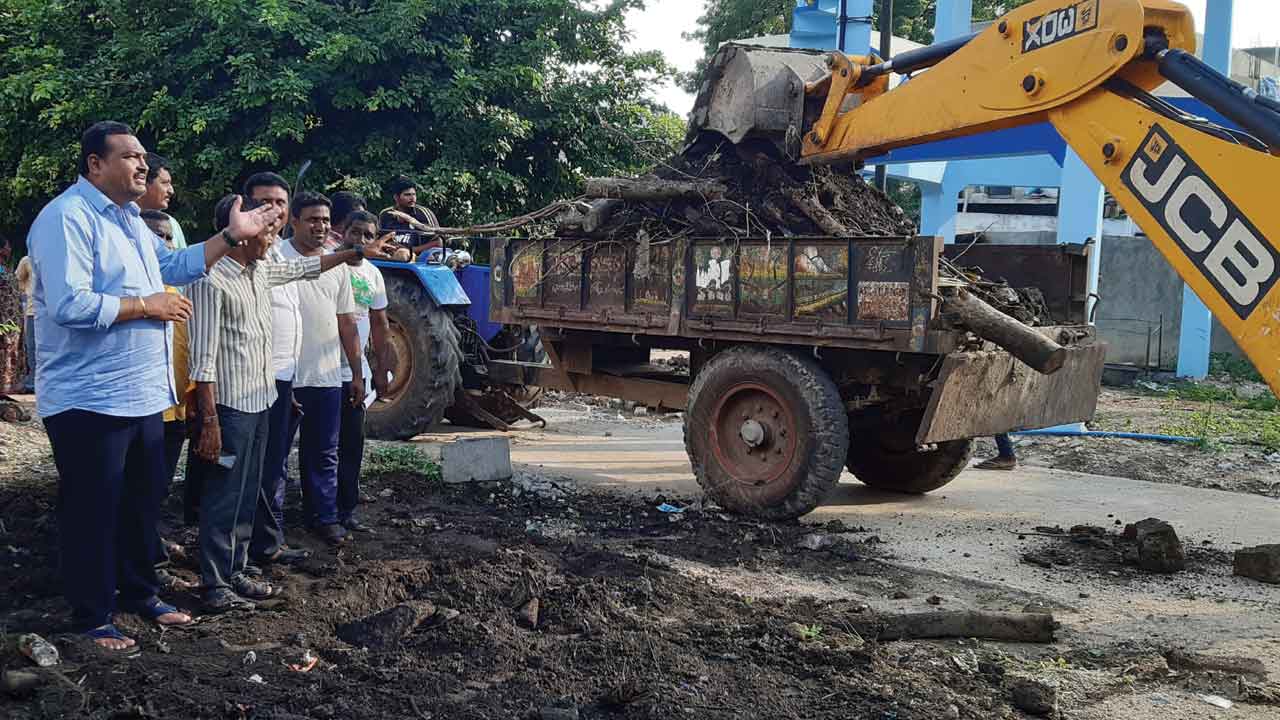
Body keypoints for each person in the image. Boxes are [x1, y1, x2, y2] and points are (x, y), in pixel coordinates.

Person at [27, 120, 281, 651]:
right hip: (90, 398)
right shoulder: (66, 218)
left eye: (144, 157)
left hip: (143, 393)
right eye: (130, 157)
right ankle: (93, 615)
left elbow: (175, 265)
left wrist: (231, 236)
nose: (143, 165)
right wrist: (148, 305)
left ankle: (141, 593)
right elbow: (70, 304)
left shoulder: (130, 220)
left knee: (141, 505)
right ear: (95, 164)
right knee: (94, 509)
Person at [187, 193, 389, 612]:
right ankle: (214, 583)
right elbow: (202, 363)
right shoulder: (212, 280)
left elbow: (306, 267)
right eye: (267, 233)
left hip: (261, 400)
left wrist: (353, 252)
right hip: (230, 407)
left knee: (247, 491)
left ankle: (237, 568)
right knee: (224, 493)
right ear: (241, 235)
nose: (273, 241)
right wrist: (209, 421)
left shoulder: (261, 271)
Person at [277, 191, 365, 546]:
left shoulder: (337, 265)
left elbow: (347, 323)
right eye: (313, 219)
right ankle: (272, 524)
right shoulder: (276, 258)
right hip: (283, 377)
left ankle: (324, 517)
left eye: (326, 220)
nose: (321, 226)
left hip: (326, 375)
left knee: (324, 452)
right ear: (294, 221)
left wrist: (356, 374)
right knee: (276, 455)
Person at [246, 173, 312, 569]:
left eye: (280, 203)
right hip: (254, 381)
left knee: (274, 465)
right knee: (251, 469)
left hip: (283, 379)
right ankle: (245, 550)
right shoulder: (238, 256)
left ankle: (267, 542)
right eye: (264, 202)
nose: (274, 210)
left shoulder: (278, 256)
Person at [141, 210, 195, 591]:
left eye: (168, 237)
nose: (165, 244)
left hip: (176, 406)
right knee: (141, 490)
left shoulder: (179, 289)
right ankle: (146, 562)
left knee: (158, 488)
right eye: (156, 237)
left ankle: (152, 546)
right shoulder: (139, 293)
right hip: (148, 410)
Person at [335, 210, 393, 533]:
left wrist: (382, 369)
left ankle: (345, 510)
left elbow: (380, 324)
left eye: (368, 235)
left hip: (355, 373)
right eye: (355, 232)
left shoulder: (373, 274)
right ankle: (318, 512)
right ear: (343, 232)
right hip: (320, 371)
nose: (360, 240)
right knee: (321, 446)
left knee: (351, 444)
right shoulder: (329, 266)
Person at [378, 177, 440, 257]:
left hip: (420, 259)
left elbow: (438, 243)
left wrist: (410, 250)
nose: (412, 198)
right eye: (407, 195)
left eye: (414, 194)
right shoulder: (385, 214)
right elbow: (378, 239)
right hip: (389, 257)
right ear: (396, 197)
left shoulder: (423, 213)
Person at [138, 153, 187, 248]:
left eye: (168, 238)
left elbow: (181, 256)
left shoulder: (172, 223)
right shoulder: (121, 219)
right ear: (143, 182)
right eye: (164, 183)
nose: (171, 191)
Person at [15, 253, 35, 392]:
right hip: (32, 311)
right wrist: (27, 291)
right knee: (31, 347)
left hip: (52, 312)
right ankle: (33, 381)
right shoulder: (27, 260)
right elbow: (18, 280)